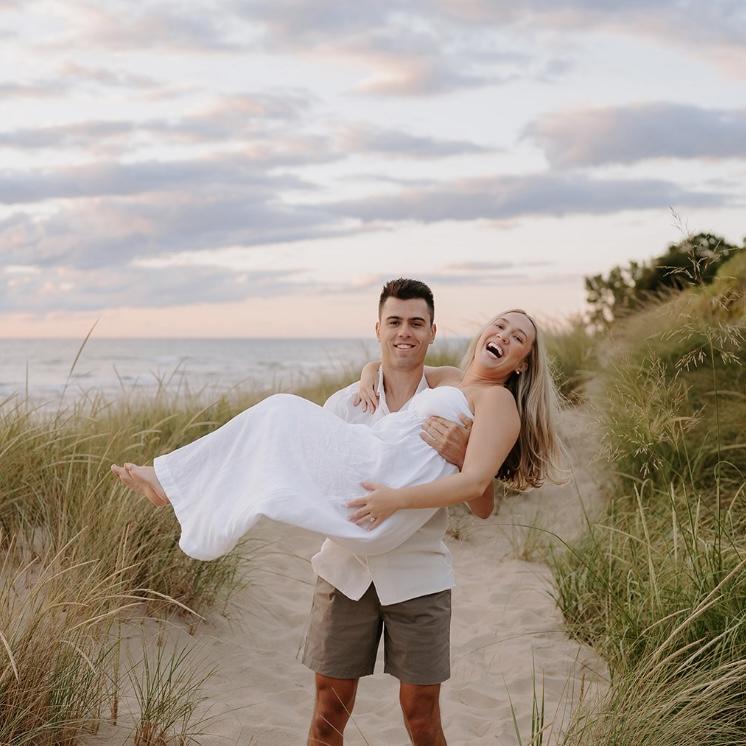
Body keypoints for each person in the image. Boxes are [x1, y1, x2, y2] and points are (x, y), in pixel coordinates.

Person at [111, 279, 563, 746]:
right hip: (349, 559)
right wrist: (369, 374)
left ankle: (172, 481)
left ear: (522, 361)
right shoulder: (436, 380)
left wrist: (403, 493)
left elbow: (476, 489)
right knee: (328, 710)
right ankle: (175, 483)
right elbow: (385, 370)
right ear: (379, 329)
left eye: (518, 337)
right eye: (500, 325)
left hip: (410, 561)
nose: (504, 336)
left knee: (421, 716)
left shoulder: (496, 400)